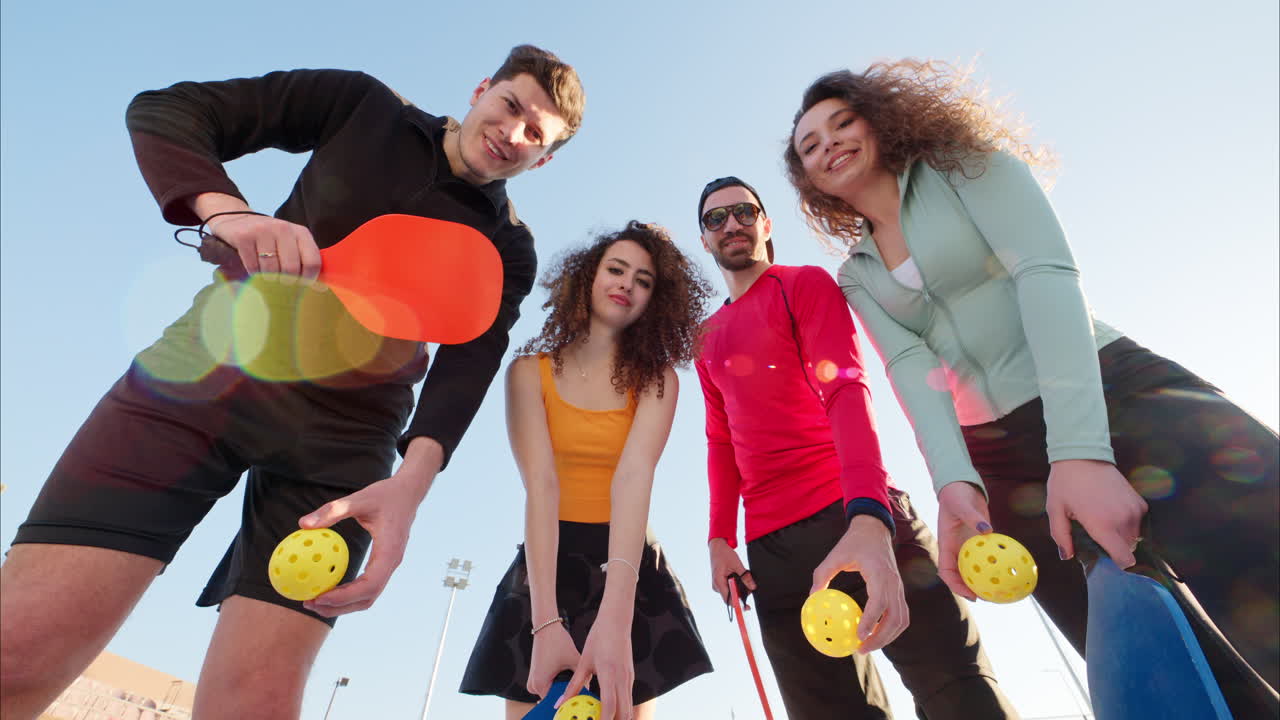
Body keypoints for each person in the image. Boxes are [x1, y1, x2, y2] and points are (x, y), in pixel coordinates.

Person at [0, 45, 585, 720]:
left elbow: (467, 367)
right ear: (482, 88)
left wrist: (409, 489)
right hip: (207, 377)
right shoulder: (362, 104)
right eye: (511, 106)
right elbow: (167, 110)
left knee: (258, 706)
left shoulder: (509, 246)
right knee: (18, 653)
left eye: (536, 135)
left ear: (542, 160)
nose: (513, 133)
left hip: (343, 452)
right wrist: (229, 212)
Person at [785, 60, 1279, 716]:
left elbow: (1045, 274)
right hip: (1004, 462)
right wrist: (956, 489)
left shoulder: (966, 166)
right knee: (1152, 672)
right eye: (809, 145)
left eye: (841, 123)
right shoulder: (857, 274)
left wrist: (1080, 449)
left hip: (1114, 391)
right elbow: (912, 371)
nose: (828, 145)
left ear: (879, 120)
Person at [695, 176, 1019, 720]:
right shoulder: (705, 338)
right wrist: (719, 537)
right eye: (715, 218)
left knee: (954, 690)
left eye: (744, 213)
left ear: (765, 224)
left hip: (853, 507)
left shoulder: (802, 284)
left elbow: (845, 388)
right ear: (704, 239)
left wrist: (869, 512)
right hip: (774, 548)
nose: (731, 225)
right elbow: (720, 440)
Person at [459, 222, 715, 720]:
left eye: (643, 279)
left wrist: (616, 619)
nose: (626, 284)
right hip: (547, 564)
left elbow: (633, 479)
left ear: (656, 299)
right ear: (586, 278)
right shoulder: (527, 372)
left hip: (627, 562)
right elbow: (542, 486)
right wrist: (545, 621)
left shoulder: (658, 381)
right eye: (616, 269)